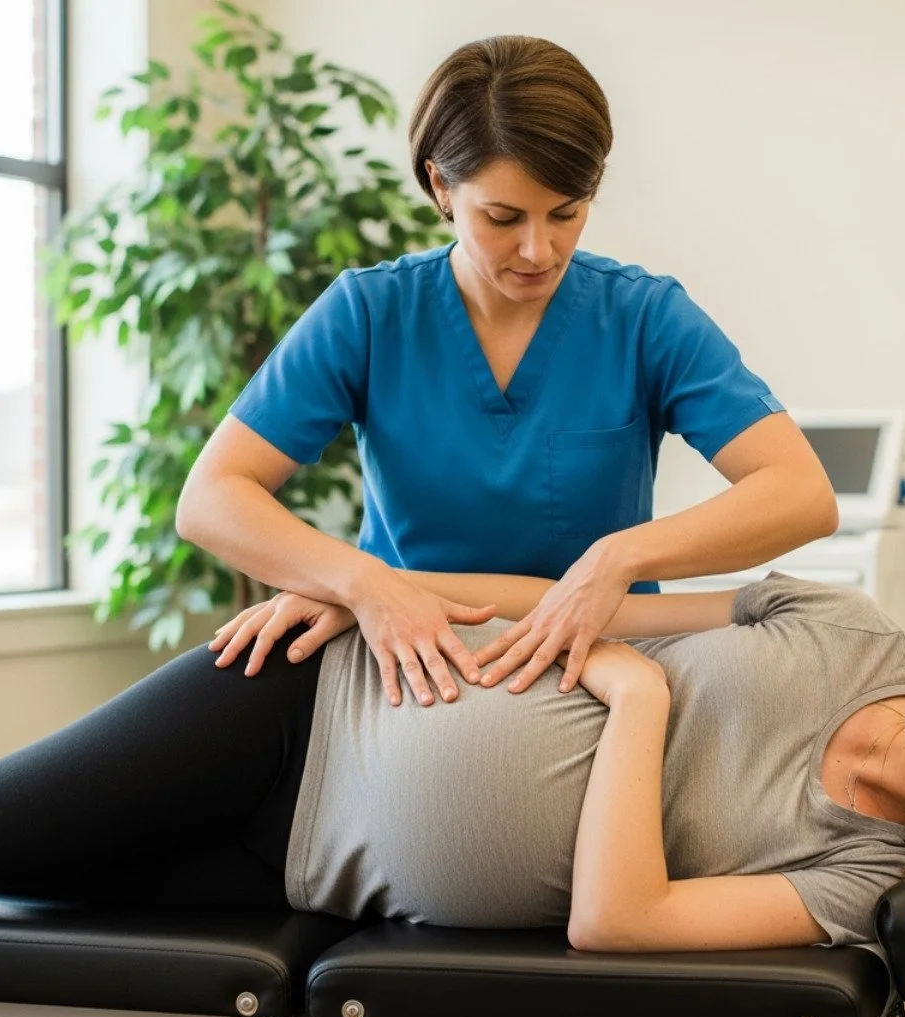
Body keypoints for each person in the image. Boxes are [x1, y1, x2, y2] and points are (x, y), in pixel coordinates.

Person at [0, 574, 905, 1017]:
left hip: (301, 876)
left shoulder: (846, 885)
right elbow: (580, 598)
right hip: (301, 705)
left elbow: (616, 920)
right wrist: (365, 591)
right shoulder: (847, 628)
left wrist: (645, 702)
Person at [175, 35, 839, 711]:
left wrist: (617, 560)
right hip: (414, 667)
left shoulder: (642, 318)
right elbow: (211, 499)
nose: (538, 250)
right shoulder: (371, 314)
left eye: (566, 214)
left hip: (603, 674)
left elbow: (801, 494)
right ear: (440, 185)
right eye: (503, 217)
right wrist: (361, 584)